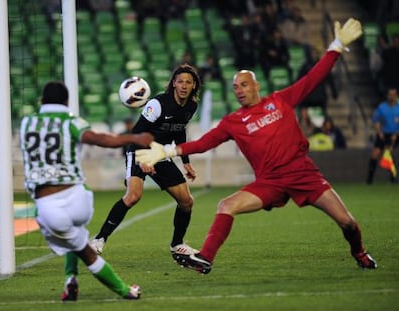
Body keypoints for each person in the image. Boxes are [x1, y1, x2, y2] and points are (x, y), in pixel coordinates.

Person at [135, 18, 378, 274]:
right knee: (226, 205)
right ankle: (205, 257)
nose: (239, 90)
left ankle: (359, 253)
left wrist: (336, 46)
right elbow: (204, 143)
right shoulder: (233, 121)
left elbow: (312, 79)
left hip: (304, 175)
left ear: (256, 86)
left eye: (244, 84)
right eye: (235, 87)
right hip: (270, 182)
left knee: (347, 223)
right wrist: (168, 151)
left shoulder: (280, 101)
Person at [19, 81, 153, 301]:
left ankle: (125, 291)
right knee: (77, 237)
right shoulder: (71, 121)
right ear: (66, 102)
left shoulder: (26, 124)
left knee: (86, 252)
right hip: (78, 197)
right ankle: (71, 279)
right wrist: (134, 137)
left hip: (49, 204)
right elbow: (99, 139)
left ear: (42, 101)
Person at [91, 64, 202, 262]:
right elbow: (136, 133)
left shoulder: (191, 106)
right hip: (139, 150)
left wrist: (185, 161)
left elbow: (179, 131)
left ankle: (177, 244)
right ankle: (99, 240)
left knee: (186, 201)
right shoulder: (158, 104)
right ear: (173, 84)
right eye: (180, 81)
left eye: (188, 82)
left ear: (194, 85)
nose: (184, 85)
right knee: (133, 196)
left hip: (160, 155)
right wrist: (143, 158)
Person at [366, 87, 399, 184]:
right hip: (383, 134)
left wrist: (396, 134)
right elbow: (376, 120)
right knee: (375, 154)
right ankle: (370, 179)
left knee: (388, 153)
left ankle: (393, 178)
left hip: (394, 135)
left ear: (396, 96)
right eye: (389, 94)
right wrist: (379, 132)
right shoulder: (382, 107)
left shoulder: (398, 108)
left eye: (393, 95)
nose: (391, 97)